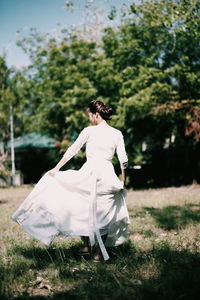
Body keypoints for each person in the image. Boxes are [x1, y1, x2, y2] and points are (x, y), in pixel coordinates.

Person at [12, 100, 130, 262]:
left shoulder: (89, 131)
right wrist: (123, 181)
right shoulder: (116, 133)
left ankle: (87, 245)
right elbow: (123, 159)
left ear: (96, 114)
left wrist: (56, 169)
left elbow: (72, 150)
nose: (89, 119)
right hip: (107, 174)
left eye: (89, 115)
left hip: (90, 172)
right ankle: (96, 252)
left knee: (81, 208)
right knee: (104, 211)